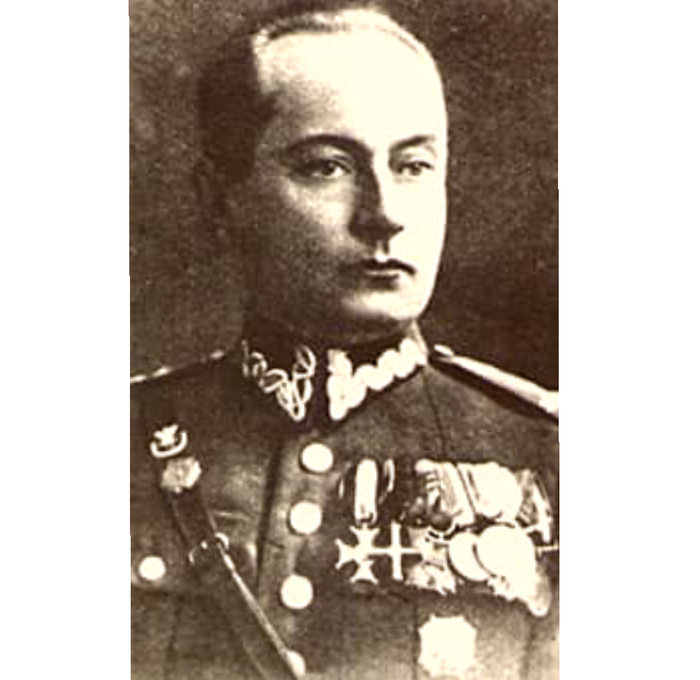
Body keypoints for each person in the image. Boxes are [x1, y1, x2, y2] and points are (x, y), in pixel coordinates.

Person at [130, 3, 559, 679]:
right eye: (327, 167)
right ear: (220, 200)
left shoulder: (550, 452)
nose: (384, 214)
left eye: (413, 165)